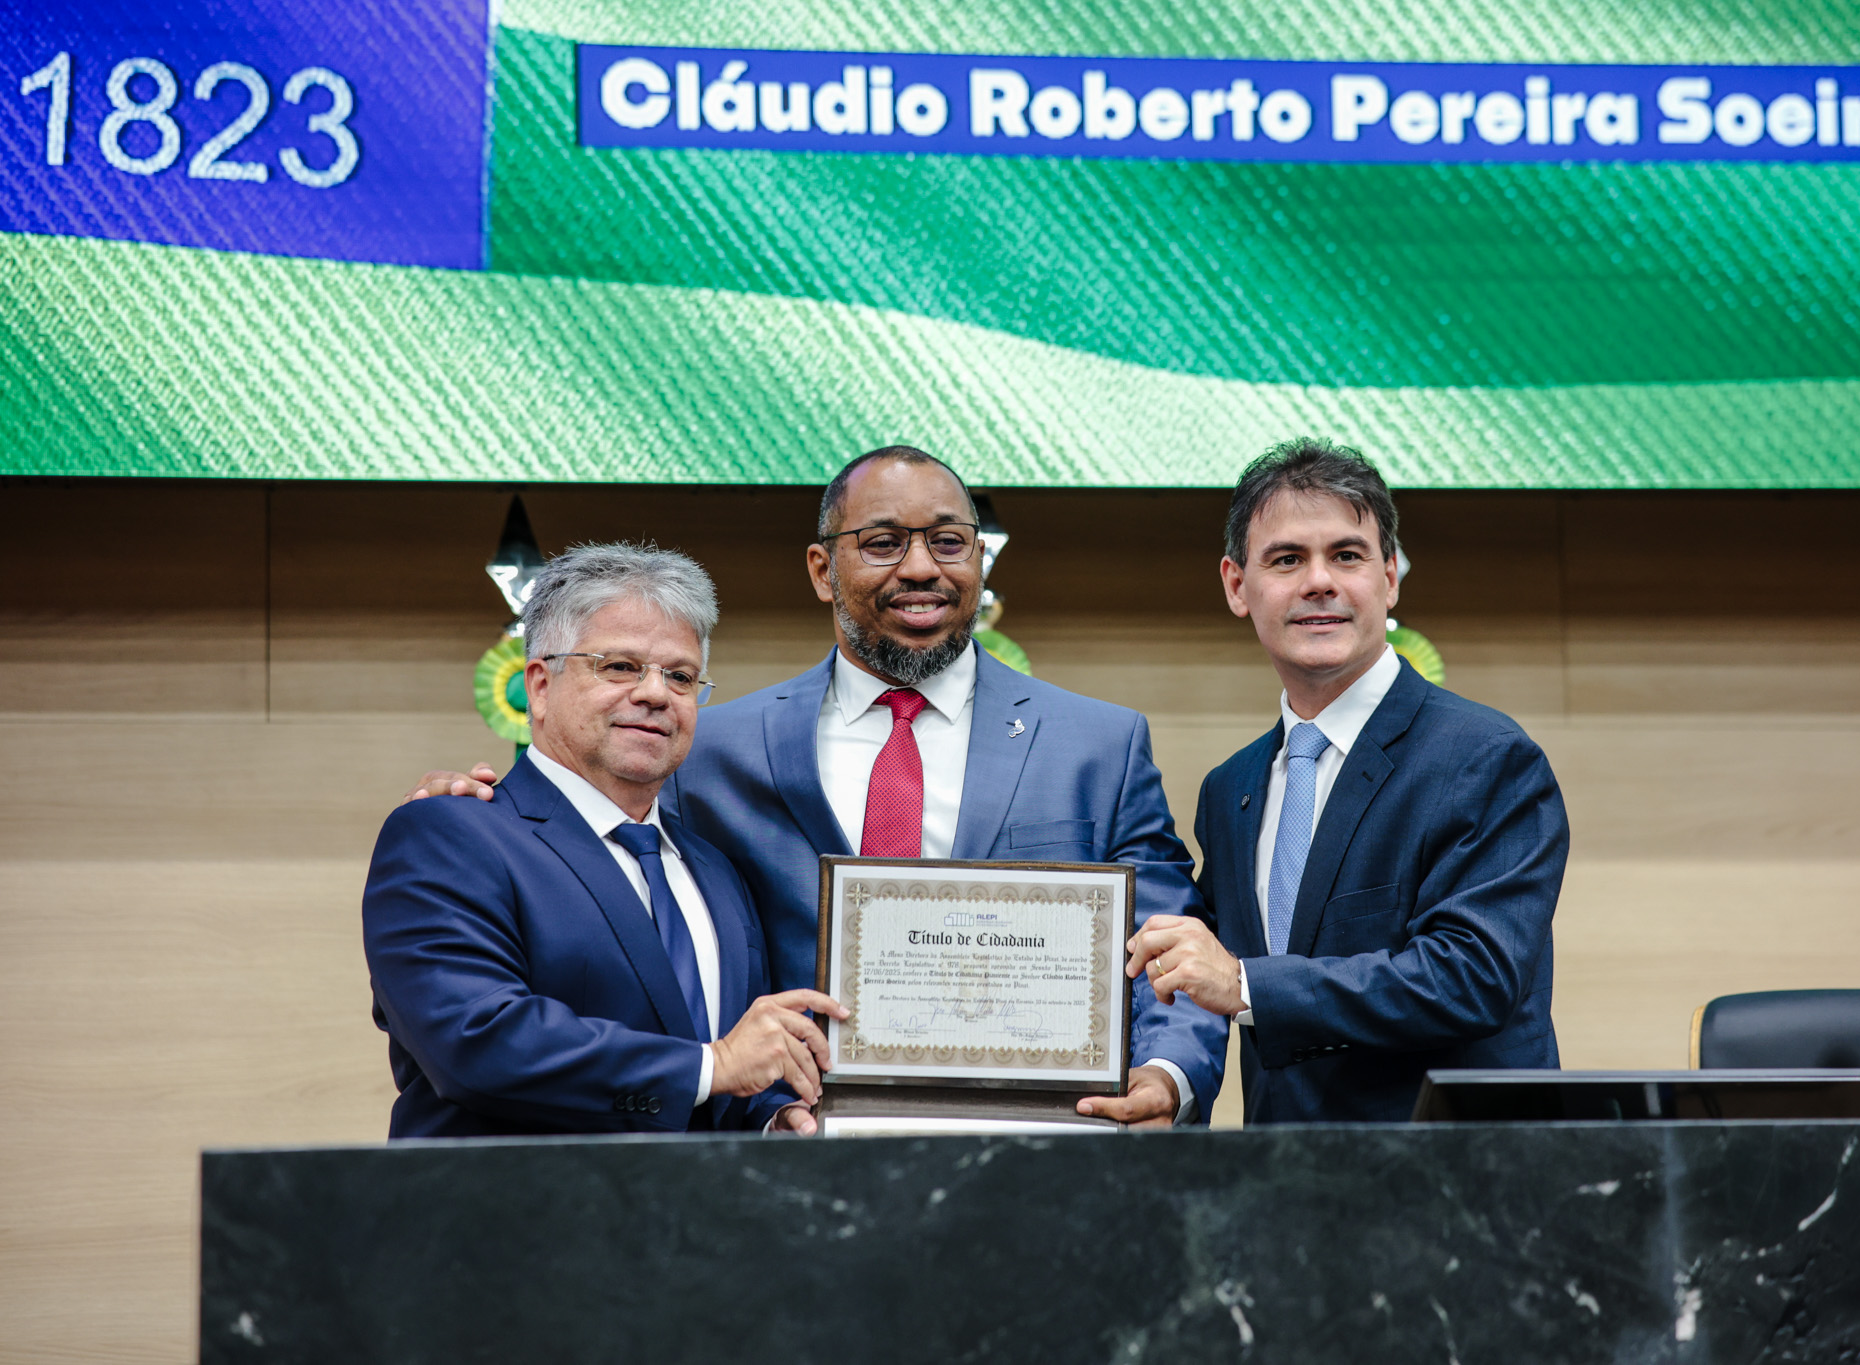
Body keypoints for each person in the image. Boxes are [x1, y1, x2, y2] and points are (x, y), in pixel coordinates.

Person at [415, 447, 1227, 1126]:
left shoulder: (1099, 743)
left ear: (979, 560)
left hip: (1040, 1151)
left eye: (949, 541)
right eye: (881, 542)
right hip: (786, 1159)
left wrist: (1168, 1074)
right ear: (821, 568)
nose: (920, 567)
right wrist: (485, 806)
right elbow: (593, 837)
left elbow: (1171, 942)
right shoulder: (710, 745)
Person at [1125, 439, 1569, 1123]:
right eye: (1286, 559)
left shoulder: (1487, 758)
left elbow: (1473, 976)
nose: (1319, 581)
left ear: (1389, 578)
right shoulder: (1230, 790)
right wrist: (1164, 1079)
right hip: (1286, 1186)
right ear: (1237, 586)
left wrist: (1247, 984)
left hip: (1456, 1192)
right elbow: (1195, 977)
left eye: (1348, 555)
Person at [365, 543, 846, 1138]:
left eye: (681, 676)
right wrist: (712, 1066)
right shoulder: (446, 833)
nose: (655, 694)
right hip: (515, 1224)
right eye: (620, 666)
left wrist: (773, 1117)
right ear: (539, 686)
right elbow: (476, 1042)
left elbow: (725, 1077)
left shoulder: (715, 871)